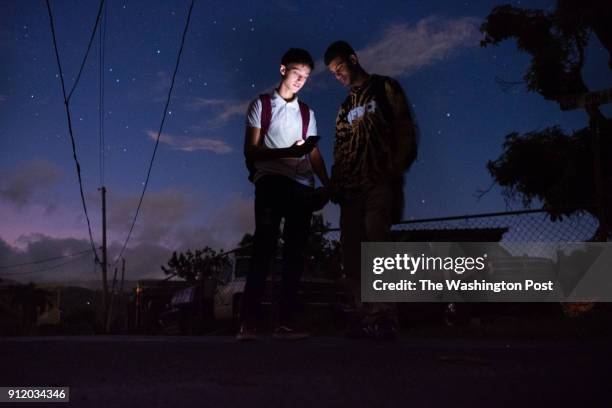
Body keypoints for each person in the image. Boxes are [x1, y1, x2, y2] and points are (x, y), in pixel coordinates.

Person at [324, 40, 418, 340]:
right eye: (333, 73)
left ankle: (384, 314)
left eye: (340, 68)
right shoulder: (344, 108)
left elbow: (405, 127)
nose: (338, 75)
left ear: (353, 59)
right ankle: (363, 314)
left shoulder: (384, 87)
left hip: (379, 180)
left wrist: (396, 166)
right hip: (350, 189)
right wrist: (336, 183)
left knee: (378, 244)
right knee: (352, 252)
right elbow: (338, 148)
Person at [237, 48, 331, 341]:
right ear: (282, 70)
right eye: (295, 73)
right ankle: (249, 322)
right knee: (264, 247)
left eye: (305, 76)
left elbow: (314, 154)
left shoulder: (307, 113)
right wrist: (289, 151)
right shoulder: (262, 105)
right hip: (271, 182)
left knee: (295, 253)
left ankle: (286, 321)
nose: (300, 80)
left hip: (302, 186)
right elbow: (250, 150)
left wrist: (327, 183)